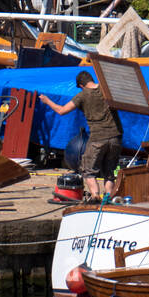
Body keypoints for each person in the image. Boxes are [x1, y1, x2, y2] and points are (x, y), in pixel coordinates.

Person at [41, 70, 122, 202]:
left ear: (81, 85)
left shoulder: (82, 96)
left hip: (98, 137)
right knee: (109, 172)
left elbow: (61, 111)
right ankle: (110, 199)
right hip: (116, 136)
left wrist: (47, 101)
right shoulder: (107, 90)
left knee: (88, 170)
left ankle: (96, 197)